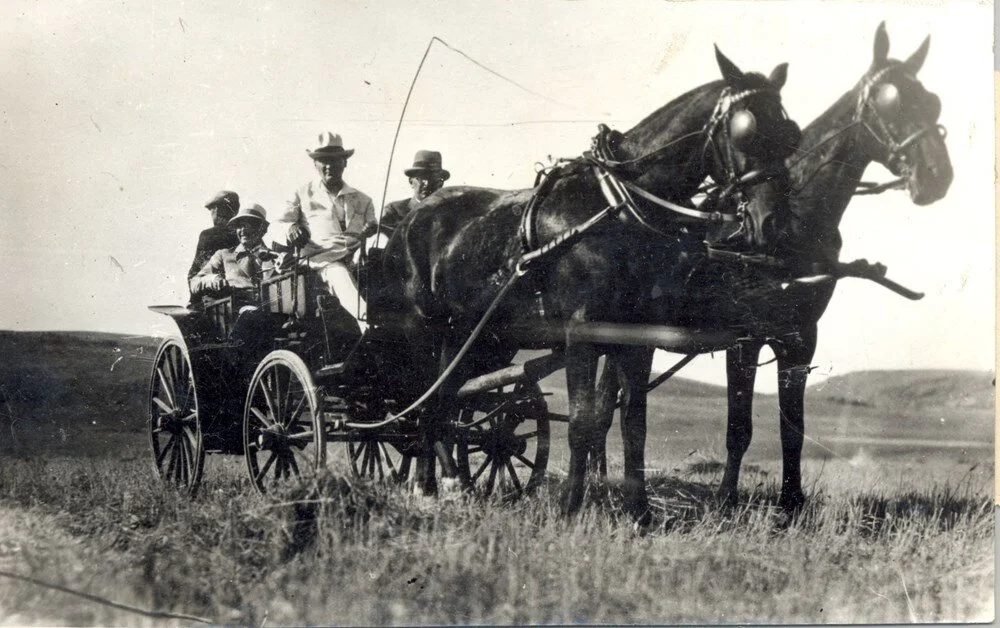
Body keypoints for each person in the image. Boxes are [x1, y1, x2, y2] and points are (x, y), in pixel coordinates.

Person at [271, 132, 376, 330]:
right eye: (323, 161)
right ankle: (367, 323)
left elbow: (375, 228)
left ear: (345, 162)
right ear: (315, 164)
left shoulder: (363, 199)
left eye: (335, 160)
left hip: (355, 260)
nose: (329, 166)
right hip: (319, 262)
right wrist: (291, 228)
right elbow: (277, 226)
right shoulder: (302, 194)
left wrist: (371, 230)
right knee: (337, 271)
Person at [189, 204, 276, 308]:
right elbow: (194, 282)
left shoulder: (275, 257)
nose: (243, 230)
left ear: (261, 229)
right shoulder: (223, 255)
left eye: (248, 225)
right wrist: (213, 279)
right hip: (235, 316)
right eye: (239, 226)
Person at [378, 150, 450, 240]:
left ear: (440, 184)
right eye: (421, 178)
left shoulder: (449, 213)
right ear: (411, 181)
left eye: (432, 179)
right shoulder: (395, 210)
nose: (427, 184)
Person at [187, 190, 240, 305]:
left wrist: (193, 302)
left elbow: (196, 272)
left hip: (217, 300)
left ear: (217, 210)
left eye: (211, 209)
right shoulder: (247, 234)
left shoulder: (209, 235)